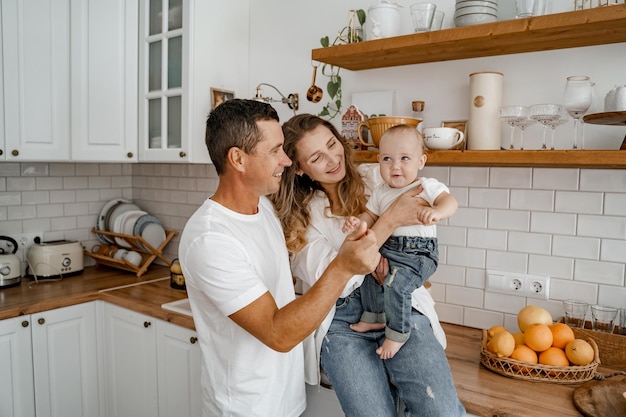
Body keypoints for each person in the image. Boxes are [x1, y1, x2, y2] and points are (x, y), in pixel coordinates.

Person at [178, 99, 382, 417]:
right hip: (246, 408)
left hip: (285, 399)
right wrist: (342, 266)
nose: (286, 160)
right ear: (238, 159)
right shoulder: (211, 239)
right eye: (275, 150)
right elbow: (277, 333)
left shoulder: (266, 210)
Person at [271, 114, 466, 417]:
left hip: (400, 308)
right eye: (316, 157)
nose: (332, 159)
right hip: (343, 322)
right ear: (299, 168)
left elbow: (423, 214)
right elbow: (342, 278)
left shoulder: (380, 175)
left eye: (332, 144)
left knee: (441, 411)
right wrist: (389, 220)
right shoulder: (299, 221)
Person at [342, 125, 458, 359]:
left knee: (397, 285)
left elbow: (451, 202)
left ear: (421, 161)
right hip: (389, 250)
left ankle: (397, 334)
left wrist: (437, 212)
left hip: (418, 254)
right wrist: (357, 223)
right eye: (387, 158)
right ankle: (375, 318)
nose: (395, 165)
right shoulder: (381, 192)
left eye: (405, 158)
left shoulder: (425, 186)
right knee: (368, 277)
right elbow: (371, 216)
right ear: (378, 161)